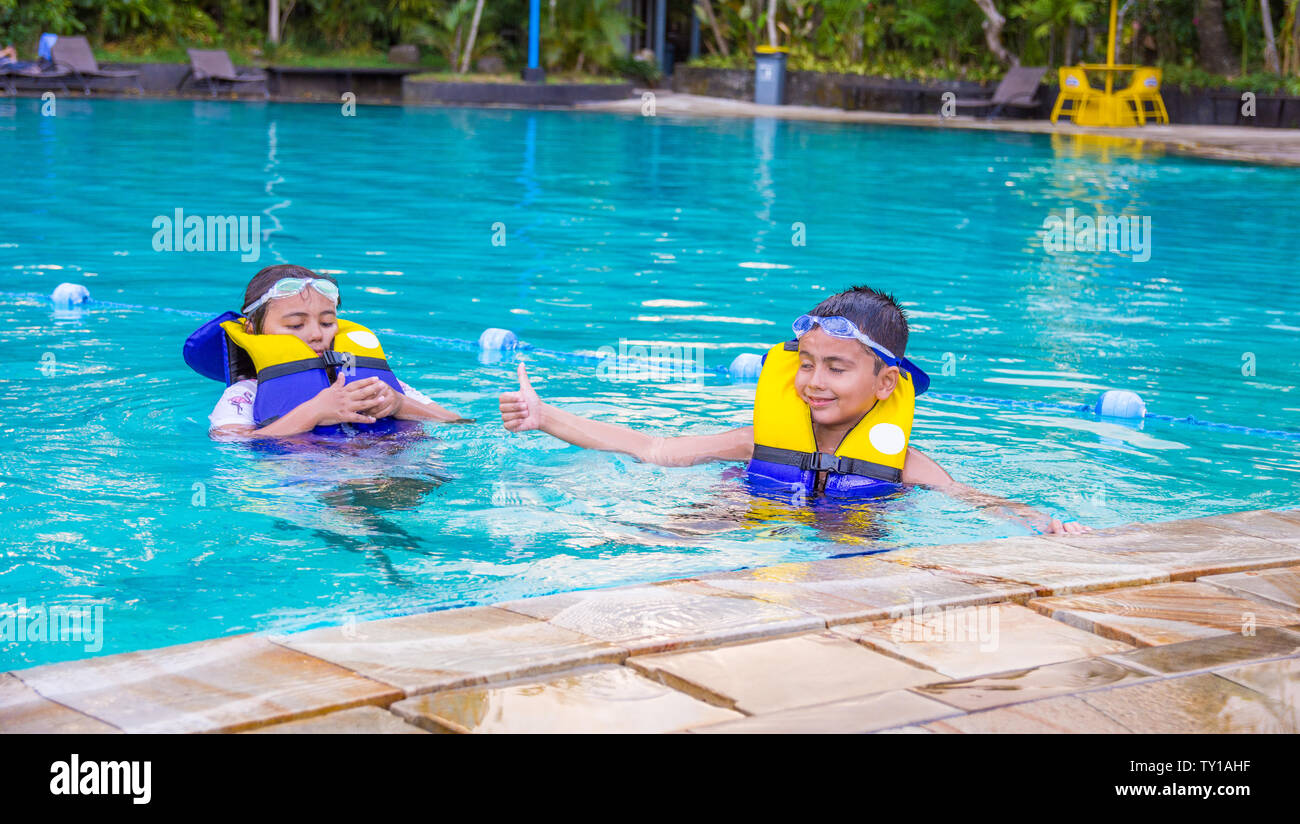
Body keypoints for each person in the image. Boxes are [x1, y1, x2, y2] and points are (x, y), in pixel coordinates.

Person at [500, 285, 1089, 535]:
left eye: (837, 367)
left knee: (852, 561)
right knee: (668, 535)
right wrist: (545, 416)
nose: (814, 381)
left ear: (887, 383)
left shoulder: (908, 465)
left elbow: (978, 503)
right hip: (750, 519)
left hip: (847, 537)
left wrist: (1044, 524)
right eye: (806, 363)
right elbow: (653, 450)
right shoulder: (760, 439)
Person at [195, 264, 471, 439]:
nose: (317, 334)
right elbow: (231, 444)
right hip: (311, 485)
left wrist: (399, 404)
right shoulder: (246, 395)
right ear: (254, 330)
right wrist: (314, 412)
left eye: (327, 322)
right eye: (295, 324)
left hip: (389, 470)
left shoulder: (369, 383)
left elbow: (459, 423)